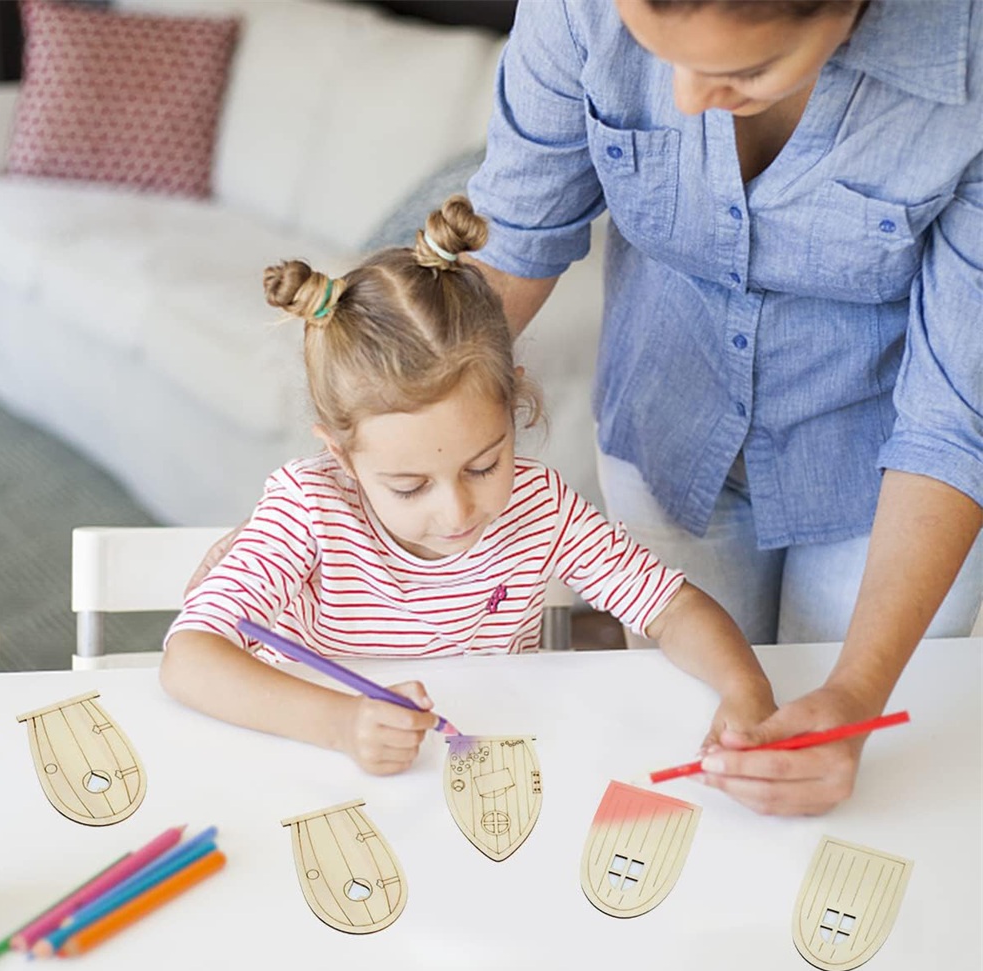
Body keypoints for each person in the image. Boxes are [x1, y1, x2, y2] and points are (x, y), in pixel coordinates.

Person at [459, 0, 982, 815]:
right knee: (691, 753)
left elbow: (953, 421)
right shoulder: (579, 8)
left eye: (744, 71)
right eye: (653, 51)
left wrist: (856, 694)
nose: (686, 100)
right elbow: (511, 245)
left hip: (884, 487)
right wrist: (370, 444)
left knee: (848, 794)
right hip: (666, 431)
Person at [162, 196, 777, 776]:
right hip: (317, 764)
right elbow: (189, 657)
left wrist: (746, 689)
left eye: (483, 466)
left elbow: (672, 608)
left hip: (479, 766)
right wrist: (342, 724)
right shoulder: (309, 510)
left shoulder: (540, 506)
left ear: (513, 404)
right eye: (409, 487)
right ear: (342, 457)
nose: (458, 511)